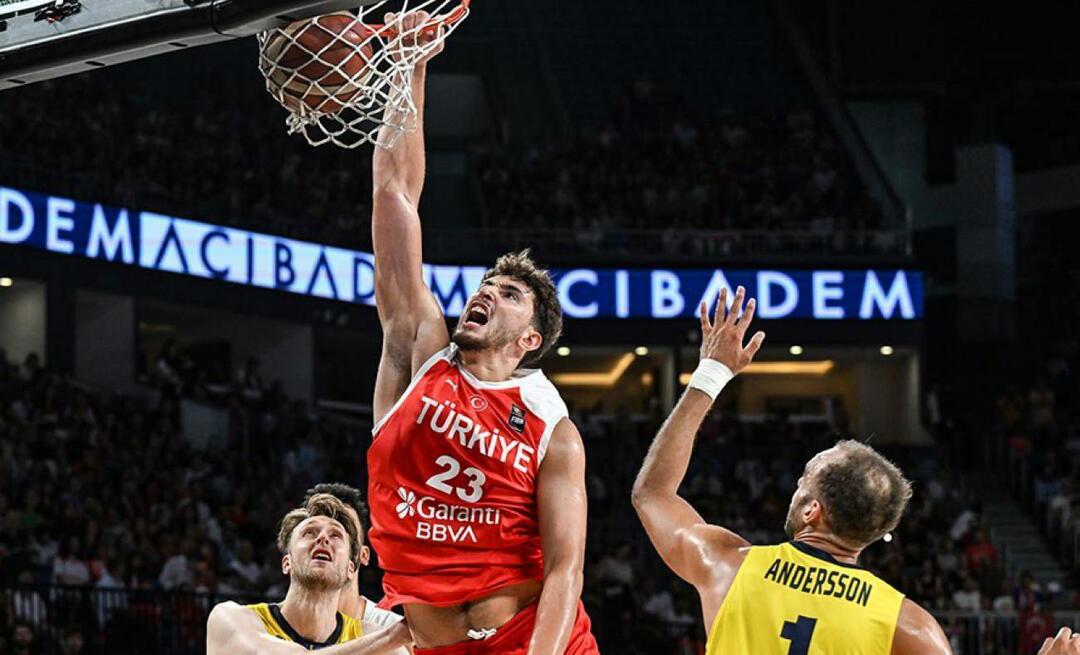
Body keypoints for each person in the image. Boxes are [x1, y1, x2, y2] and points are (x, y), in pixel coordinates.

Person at [365, 11, 599, 654]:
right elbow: (396, 197)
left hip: (534, 638)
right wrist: (409, 67)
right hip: (429, 642)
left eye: (510, 294)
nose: (486, 293)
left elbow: (564, 570)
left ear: (532, 339)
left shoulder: (553, 426)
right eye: (487, 285)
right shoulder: (421, 350)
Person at [631, 287, 954, 653]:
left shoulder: (728, 566)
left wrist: (711, 373)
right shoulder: (909, 626)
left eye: (804, 480)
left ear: (811, 510)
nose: (797, 485)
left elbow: (653, 492)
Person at [206, 493, 412, 654]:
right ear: (287, 563)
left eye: (336, 535)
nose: (323, 538)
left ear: (351, 568)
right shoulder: (231, 619)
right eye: (309, 533)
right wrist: (393, 637)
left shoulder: (375, 638)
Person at [302, 482, 404, 631]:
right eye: (313, 531)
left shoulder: (394, 631)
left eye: (343, 528)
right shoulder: (265, 626)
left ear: (363, 555)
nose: (324, 538)